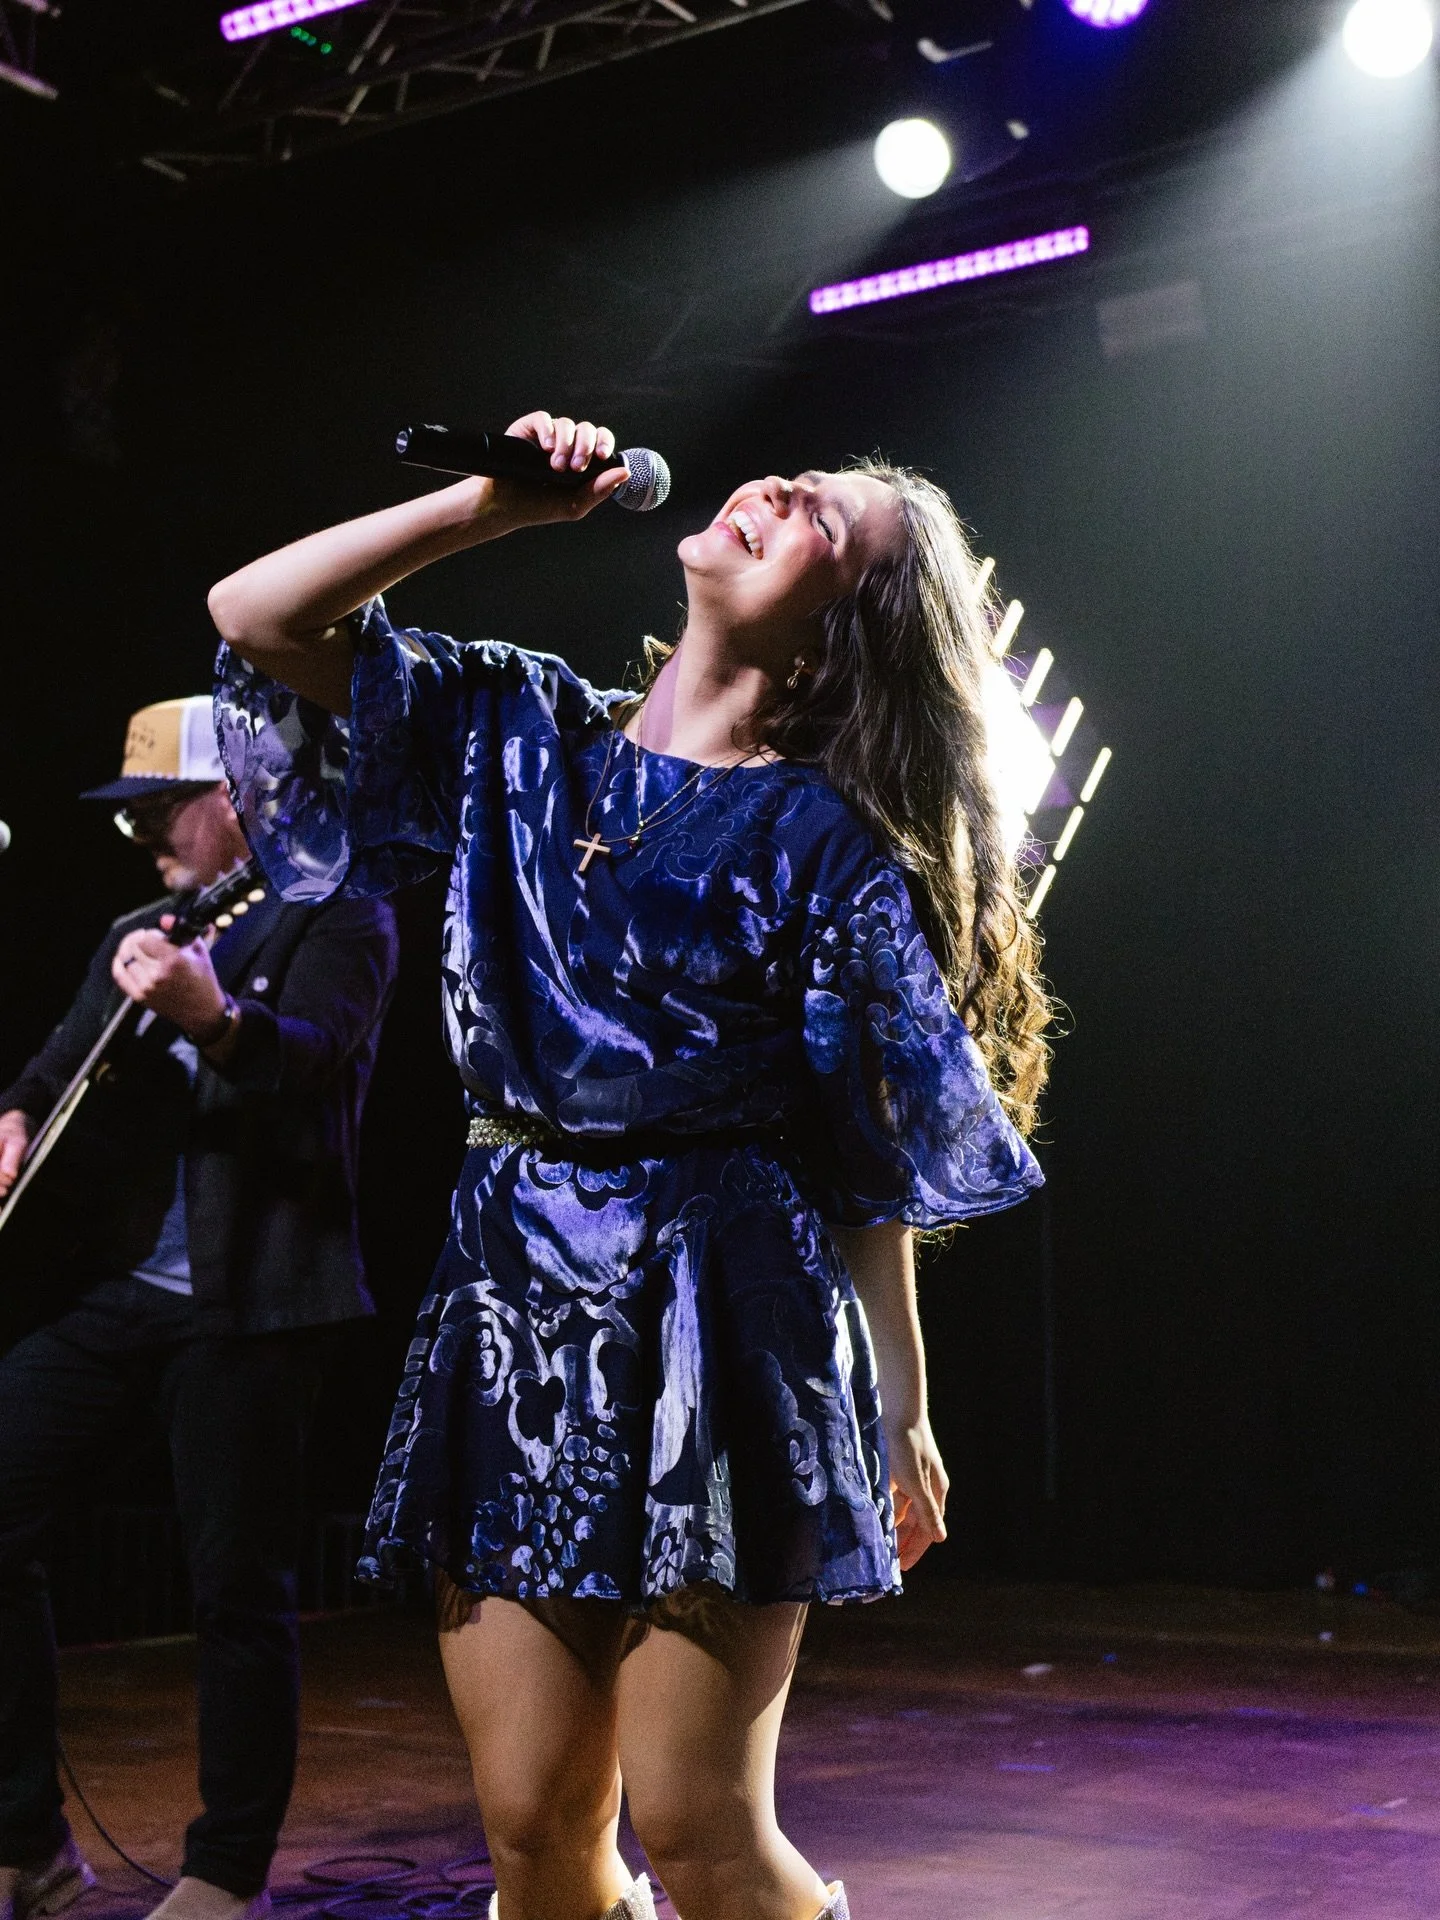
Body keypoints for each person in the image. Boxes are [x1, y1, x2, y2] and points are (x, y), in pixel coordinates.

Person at [207, 409, 1051, 1920]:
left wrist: (903, 1400)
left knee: (696, 1819)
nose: (784, 488)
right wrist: (491, 508)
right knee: (532, 1818)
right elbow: (256, 616)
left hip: (719, 1323)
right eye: (798, 476)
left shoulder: (828, 845)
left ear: (837, 637)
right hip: (514, 1299)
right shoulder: (516, 730)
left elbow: (868, 1161)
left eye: (826, 525)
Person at [0, 698, 400, 1920]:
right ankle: (27, 1841)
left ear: (238, 795)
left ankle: (224, 1872)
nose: (143, 841)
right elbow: (52, 1068)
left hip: (255, 1305)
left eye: (158, 812)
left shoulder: (344, 912)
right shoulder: (145, 925)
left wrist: (209, 1017)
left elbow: (311, 1059)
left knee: (238, 1588)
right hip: (126, 1292)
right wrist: (13, 1116)